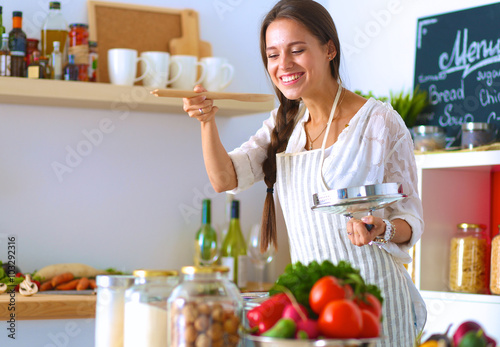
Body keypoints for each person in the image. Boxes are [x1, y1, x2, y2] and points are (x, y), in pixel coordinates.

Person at [183, 0, 426, 344]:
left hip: (376, 304)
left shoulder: (379, 122)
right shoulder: (283, 124)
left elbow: (411, 222)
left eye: (297, 50)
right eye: (273, 55)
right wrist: (207, 123)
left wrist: (381, 228)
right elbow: (225, 179)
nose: (284, 65)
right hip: (316, 307)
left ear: (329, 49)